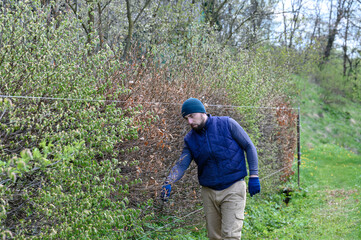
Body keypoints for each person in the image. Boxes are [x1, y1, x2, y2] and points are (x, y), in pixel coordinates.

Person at [160, 98, 261, 240]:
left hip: (233, 187)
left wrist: (254, 176)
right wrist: (169, 181)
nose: (189, 122)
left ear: (201, 112)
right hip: (209, 192)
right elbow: (182, 164)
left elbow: (249, 146)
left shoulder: (227, 124)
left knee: (230, 236)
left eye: (191, 116)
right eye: (186, 118)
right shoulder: (190, 139)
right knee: (214, 237)